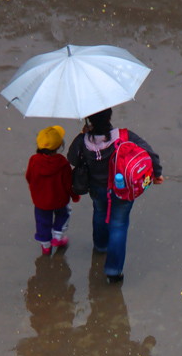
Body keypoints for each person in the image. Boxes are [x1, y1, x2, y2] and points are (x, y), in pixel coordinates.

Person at [67, 108, 164, 283]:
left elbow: (72, 159)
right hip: (122, 191)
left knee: (99, 213)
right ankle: (113, 270)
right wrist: (157, 173)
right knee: (119, 225)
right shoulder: (124, 136)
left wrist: (83, 135)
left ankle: (100, 246)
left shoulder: (83, 141)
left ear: (89, 120)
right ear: (110, 117)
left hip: (97, 190)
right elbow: (150, 153)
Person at [25, 125, 81, 255]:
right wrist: (74, 196)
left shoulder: (33, 160)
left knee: (42, 222)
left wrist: (34, 190)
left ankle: (46, 246)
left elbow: (29, 177)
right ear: (60, 145)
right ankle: (57, 237)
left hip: (41, 201)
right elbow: (68, 183)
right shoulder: (62, 163)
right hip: (59, 199)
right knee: (64, 214)